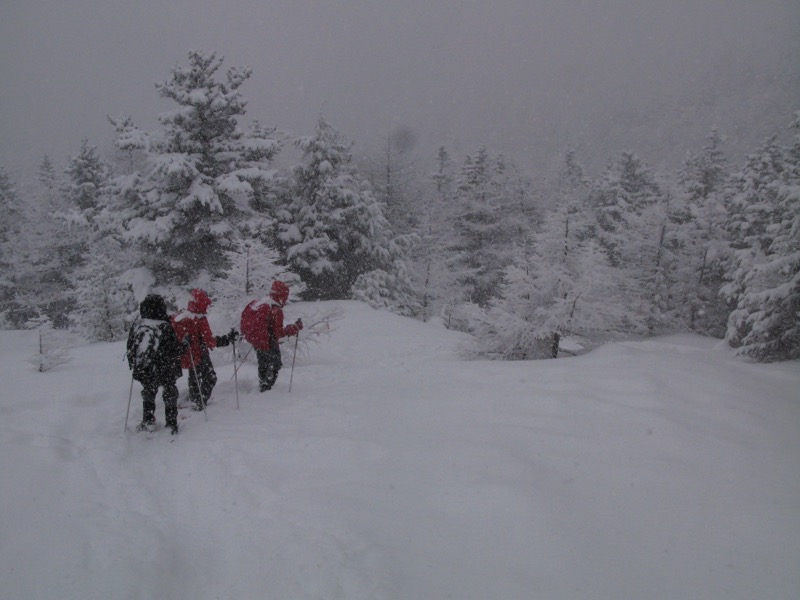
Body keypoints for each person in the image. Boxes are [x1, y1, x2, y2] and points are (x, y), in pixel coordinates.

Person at [126, 294, 184, 434]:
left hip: (145, 368)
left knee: (149, 392)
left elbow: (130, 347)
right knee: (169, 392)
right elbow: (174, 350)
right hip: (165, 367)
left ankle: (148, 420)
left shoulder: (138, 325)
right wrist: (185, 345)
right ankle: (171, 423)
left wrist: (134, 365)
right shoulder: (164, 326)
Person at [171, 289, 237, 410]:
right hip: (199, 353)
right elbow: (210, 341)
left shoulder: (182, 315)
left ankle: (194, 398)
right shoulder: (199, 319)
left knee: (194, 377)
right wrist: (227, 339)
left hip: (186, 353)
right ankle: (199, 402)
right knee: (210, 378)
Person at [240, 281, 303, 392]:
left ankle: (263, 384)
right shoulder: (275, 309)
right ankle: (266, 389)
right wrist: (294, 328)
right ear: (283, 295)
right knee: (275, 365)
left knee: (263, 364)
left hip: (258, 341)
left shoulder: (261, 302)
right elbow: (278, 333)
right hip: (268, 341)